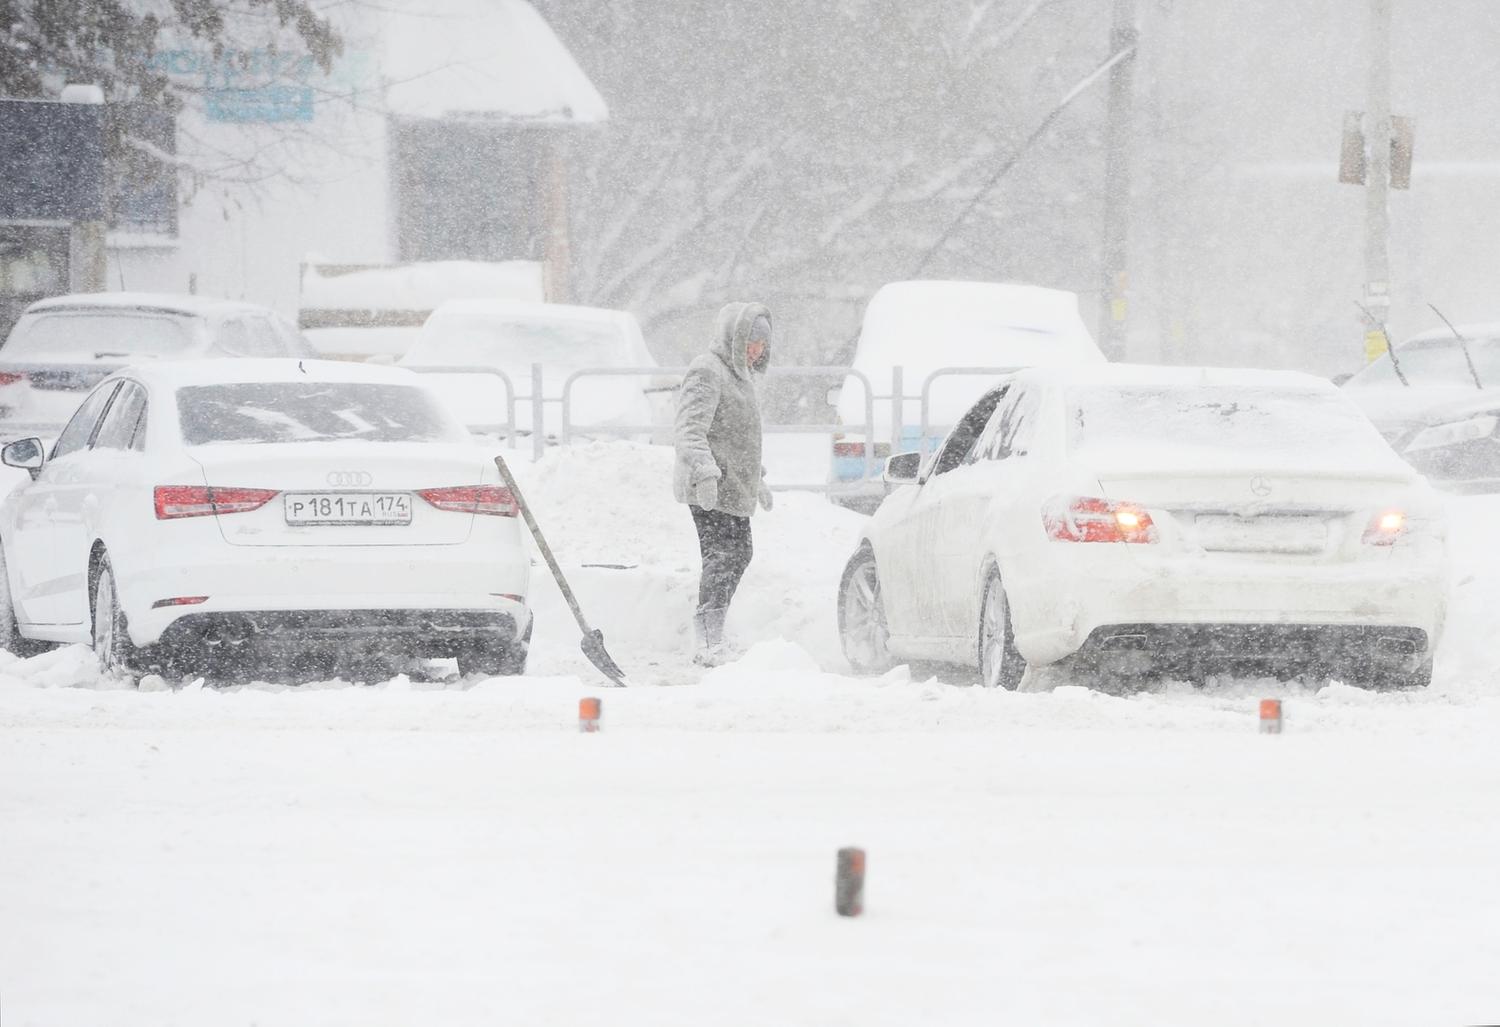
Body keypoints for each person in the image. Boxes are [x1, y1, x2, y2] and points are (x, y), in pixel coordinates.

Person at [673, 301, 774, 666]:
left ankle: (713, 630)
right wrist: (704, 472)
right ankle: (708, 640)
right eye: (750, 341)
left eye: (761, 345)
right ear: (734, 337)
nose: (756, 350)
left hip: (734, 486)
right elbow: (688, 430)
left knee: (739, 554)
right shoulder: (707, 371)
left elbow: (739, 436)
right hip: (710, 487)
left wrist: (756, 478)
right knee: (721, 558)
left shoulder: (740, 375)